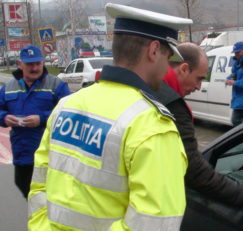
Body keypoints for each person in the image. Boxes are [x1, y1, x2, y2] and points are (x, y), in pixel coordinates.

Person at [28, 3, 193, 231]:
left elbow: (38, 186)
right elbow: (154, 224)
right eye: (167, 57)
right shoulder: (151, 126)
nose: (167, 70)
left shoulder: (66, 106)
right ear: (154, 50)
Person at [154, 43, 243, 213]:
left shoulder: (151, 86)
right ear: (183, 69)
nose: (199, 87)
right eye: (199, 78)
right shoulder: (172, 106)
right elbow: (193, 169)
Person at [0, 45, 70, 199]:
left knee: (52, 196)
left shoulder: (56, 85)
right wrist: (4, 117)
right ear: (20, 64)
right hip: (23, 153)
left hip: (50, 155)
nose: (35, 68)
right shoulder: (8, 87)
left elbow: (69, 113)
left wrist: (42, 119)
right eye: (30, 64)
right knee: (26, 188)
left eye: (38, 63)